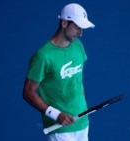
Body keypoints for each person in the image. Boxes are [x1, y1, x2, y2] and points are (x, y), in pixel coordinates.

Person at [23, 3, 95, 141]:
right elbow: (28, 92)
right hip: (59, 127)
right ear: (64, 23)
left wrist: (82, 108)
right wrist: (56, 115)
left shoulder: (78, 46)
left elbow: (78, 81)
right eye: (77, 28)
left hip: (82, 122)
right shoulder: (43, 56)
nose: (80, 33)